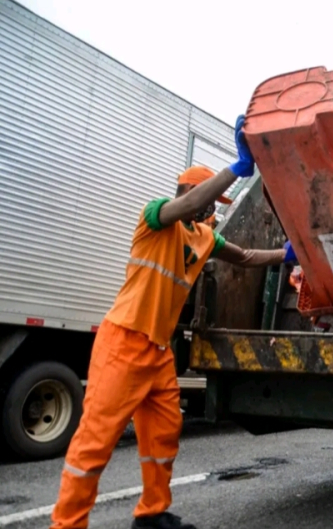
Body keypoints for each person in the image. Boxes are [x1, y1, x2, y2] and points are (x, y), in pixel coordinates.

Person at [50, 116, 296, 529]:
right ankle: (67, 524)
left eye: (210, 208)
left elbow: (245, 257)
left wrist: (285, 256)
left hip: (158, 351)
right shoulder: (155, 218)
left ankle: (152, 514)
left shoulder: (203, 237)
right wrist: (236, 170)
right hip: (123, 343)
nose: (205, 210)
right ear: (185, 192)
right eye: (202, 201)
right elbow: (181, 207)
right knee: (95, 442)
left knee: (163, 434)